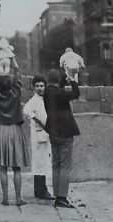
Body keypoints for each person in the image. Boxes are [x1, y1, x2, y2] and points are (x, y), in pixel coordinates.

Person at [0, 67, 30, 206]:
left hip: (0, 130)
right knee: (16, 168)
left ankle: (5, 198)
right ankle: (18, 199)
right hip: (14, 130)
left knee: (3, 168)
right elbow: (19, 79)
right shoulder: (16, 94)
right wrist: (14, 63)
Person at [43, 69, 80, 208]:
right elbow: (76, 94)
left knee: (56, 165)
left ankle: (57, 195)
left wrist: (64, 79)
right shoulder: (61, 93)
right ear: (58, 81)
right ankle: (62, 198)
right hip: (65, 133)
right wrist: (74, 81)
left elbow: (58, 88)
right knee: (65, 166)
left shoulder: (47, 92)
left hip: (53, 132)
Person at [23, 75, 54, 200]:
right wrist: (35, 118)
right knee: (40, 162)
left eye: (42, 86)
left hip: (44, 133)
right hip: (38, 133)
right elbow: (26, 110)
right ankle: (42, 191)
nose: (40, 88)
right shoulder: (34, 100)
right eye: (37, 86)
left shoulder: (44, 99)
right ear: (33, 87)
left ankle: (39, 190)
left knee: (42, 162)